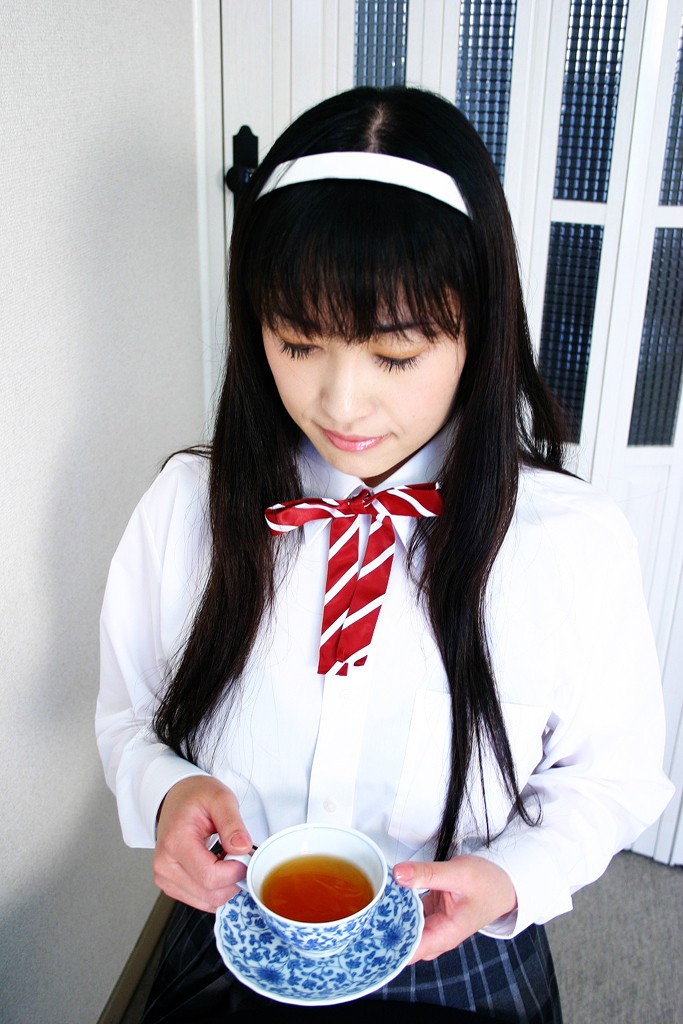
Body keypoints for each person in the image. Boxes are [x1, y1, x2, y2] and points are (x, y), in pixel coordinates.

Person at [96, 86, 673, 1024]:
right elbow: (129, 715)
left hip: (459, 951)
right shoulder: (187, 508)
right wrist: (166, 792)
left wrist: (512, 876)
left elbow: (611, 775)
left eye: (395, 356)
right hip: (240, 935)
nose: (340, 404)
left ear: (478, 327)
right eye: (297, 343)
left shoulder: (569, 540)